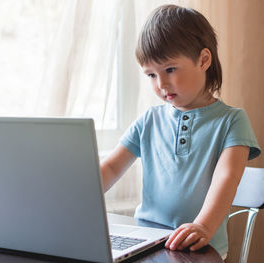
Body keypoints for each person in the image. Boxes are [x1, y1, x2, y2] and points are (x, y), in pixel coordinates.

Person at [100, 4, 261, 258]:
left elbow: (227, 178)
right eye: (151, 75)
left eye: (170, 70)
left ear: (204, 60)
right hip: (147, 242)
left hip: (198, 249)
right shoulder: (148, 120)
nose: (161, 84)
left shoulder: (232, 121)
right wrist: (74, 197)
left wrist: (203, 226)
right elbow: (109, 168)